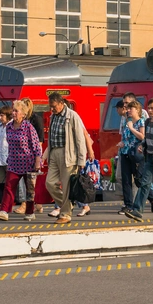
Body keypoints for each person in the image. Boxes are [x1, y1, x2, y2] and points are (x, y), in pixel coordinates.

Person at [0, 100, 42, 221]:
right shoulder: (9, 126)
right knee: (9, 186)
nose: (13, 113)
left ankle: (30, 212)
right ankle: (4, 211)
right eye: (13, 110)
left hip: (28, 162)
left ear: (23, 114)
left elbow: (36, 146)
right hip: (13, 162)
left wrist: (37, 162)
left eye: (16, 111)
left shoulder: (28, 127)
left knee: (29, 189)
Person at [41, 92, 87, 223]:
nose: (52, 109)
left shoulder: (72, 116)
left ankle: (65, 214)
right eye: (50, 106)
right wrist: (44, 156)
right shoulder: (53, 117)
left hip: (68, 154)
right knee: (50, 183)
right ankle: (67, 205)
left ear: (61, 104)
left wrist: (81, 159)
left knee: (67, 186)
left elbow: (80, 139)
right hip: (54, 153)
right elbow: (50, 139)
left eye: (54, 106)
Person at [15, 98, 44, 215]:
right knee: (26, 181)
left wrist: (37, 157)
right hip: (22, 155)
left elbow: (40, 139)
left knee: (32, 182)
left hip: (33, 154)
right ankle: (36, 204)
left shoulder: (35, 119)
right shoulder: (20, 121)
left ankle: (27, 204)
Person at [0, 105, 12, 206]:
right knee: (0, 182)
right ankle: (1, 203)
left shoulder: (11, 126)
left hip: (8, 158)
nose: (0, 118)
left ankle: (9, 203)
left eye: (2, 115)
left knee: (9, 183)